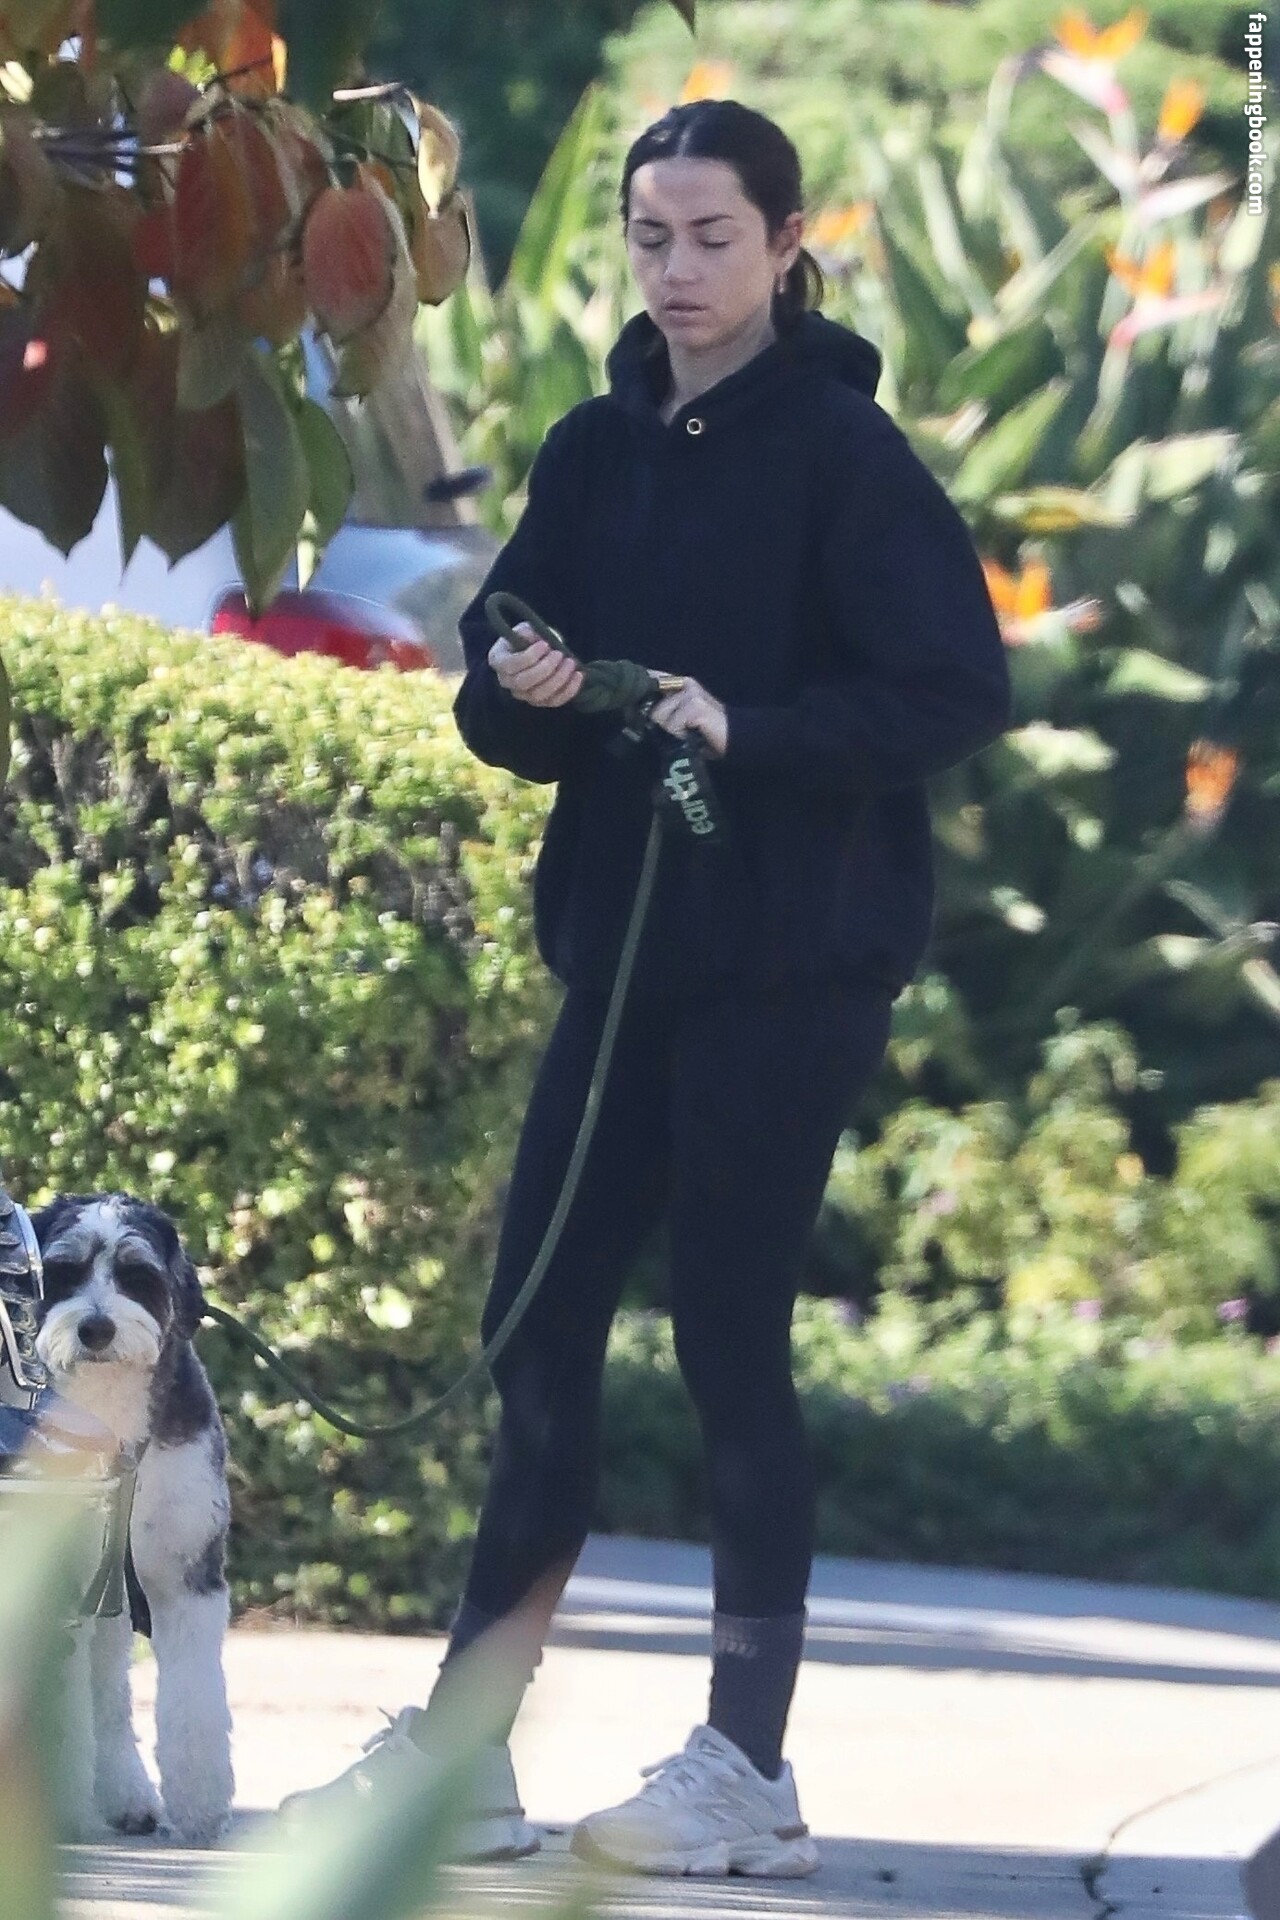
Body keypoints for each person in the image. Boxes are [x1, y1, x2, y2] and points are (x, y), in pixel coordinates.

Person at [280, 98, 1012, 1876]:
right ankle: (467, 1758)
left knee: (727, 1340)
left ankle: (745, 1769)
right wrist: (522, 681)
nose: (677, 272)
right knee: (537, 1332)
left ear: (785, 243)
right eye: (651, 238)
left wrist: (744, 727)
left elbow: (953, 690)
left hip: (792, 968)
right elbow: (504, 685)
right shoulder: (594, 449)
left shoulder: (842, 452)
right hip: (622, 964)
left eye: (713, 238)